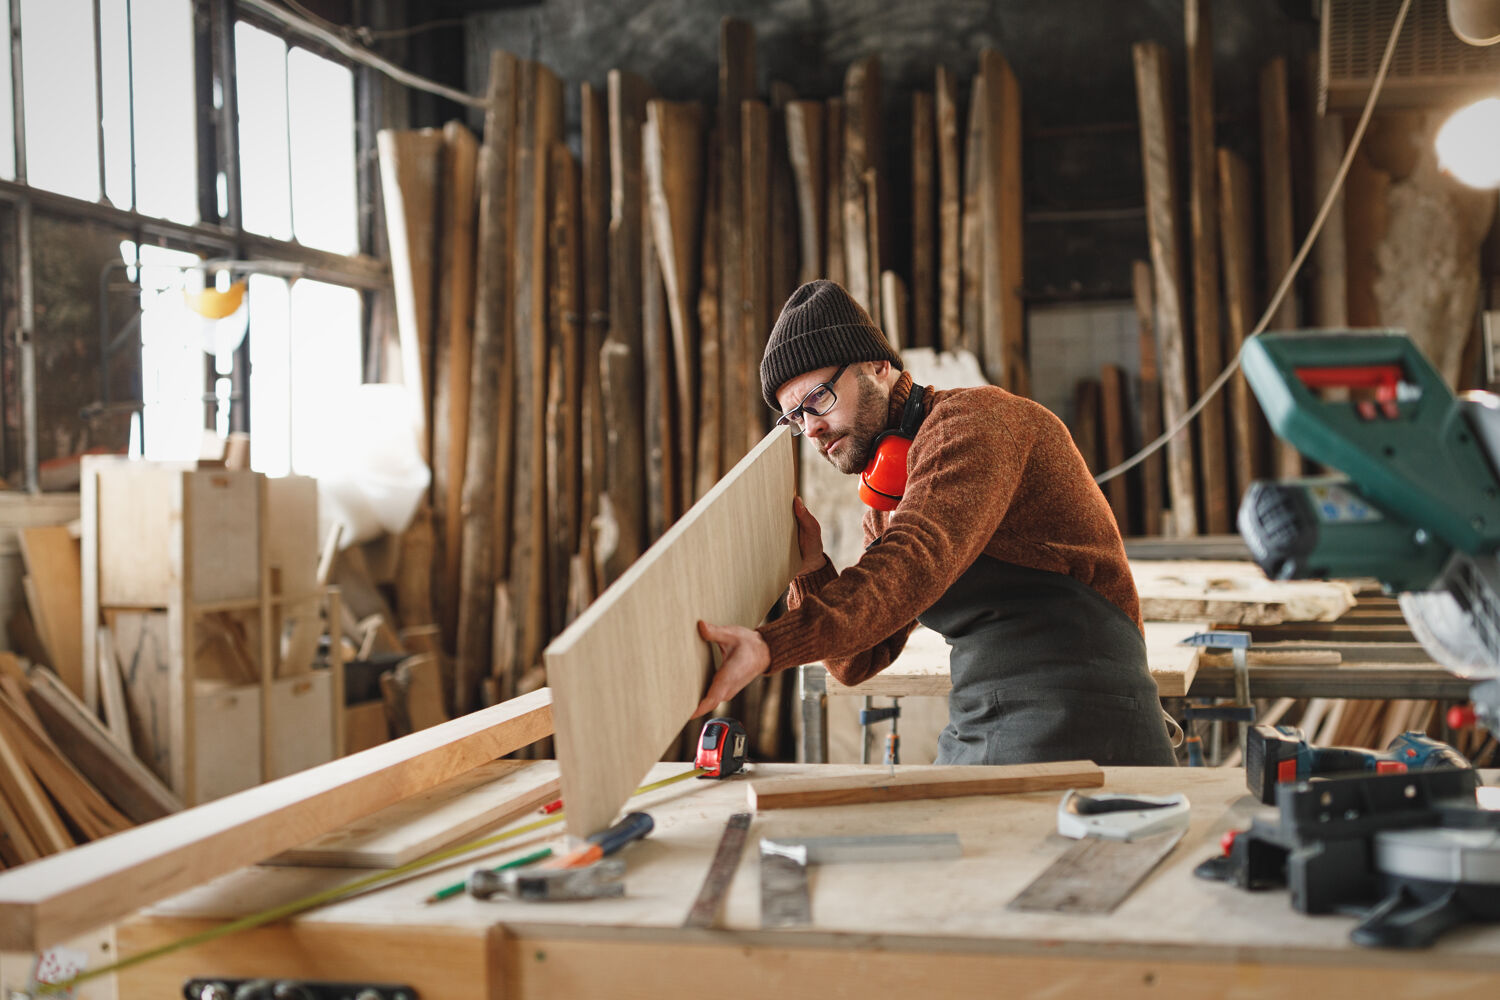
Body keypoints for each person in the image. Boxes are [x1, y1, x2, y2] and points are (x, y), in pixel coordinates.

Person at [694, 279, 1177, 766]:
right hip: (986, 718)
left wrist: (766, 645)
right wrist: (810, 565)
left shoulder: (976, 422)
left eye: (818, 398)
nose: (811, 427)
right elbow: (857, 660)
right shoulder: (889, 498)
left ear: (876, 366)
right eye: (794, 417)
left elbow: (915, 557)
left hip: (1082, 715)